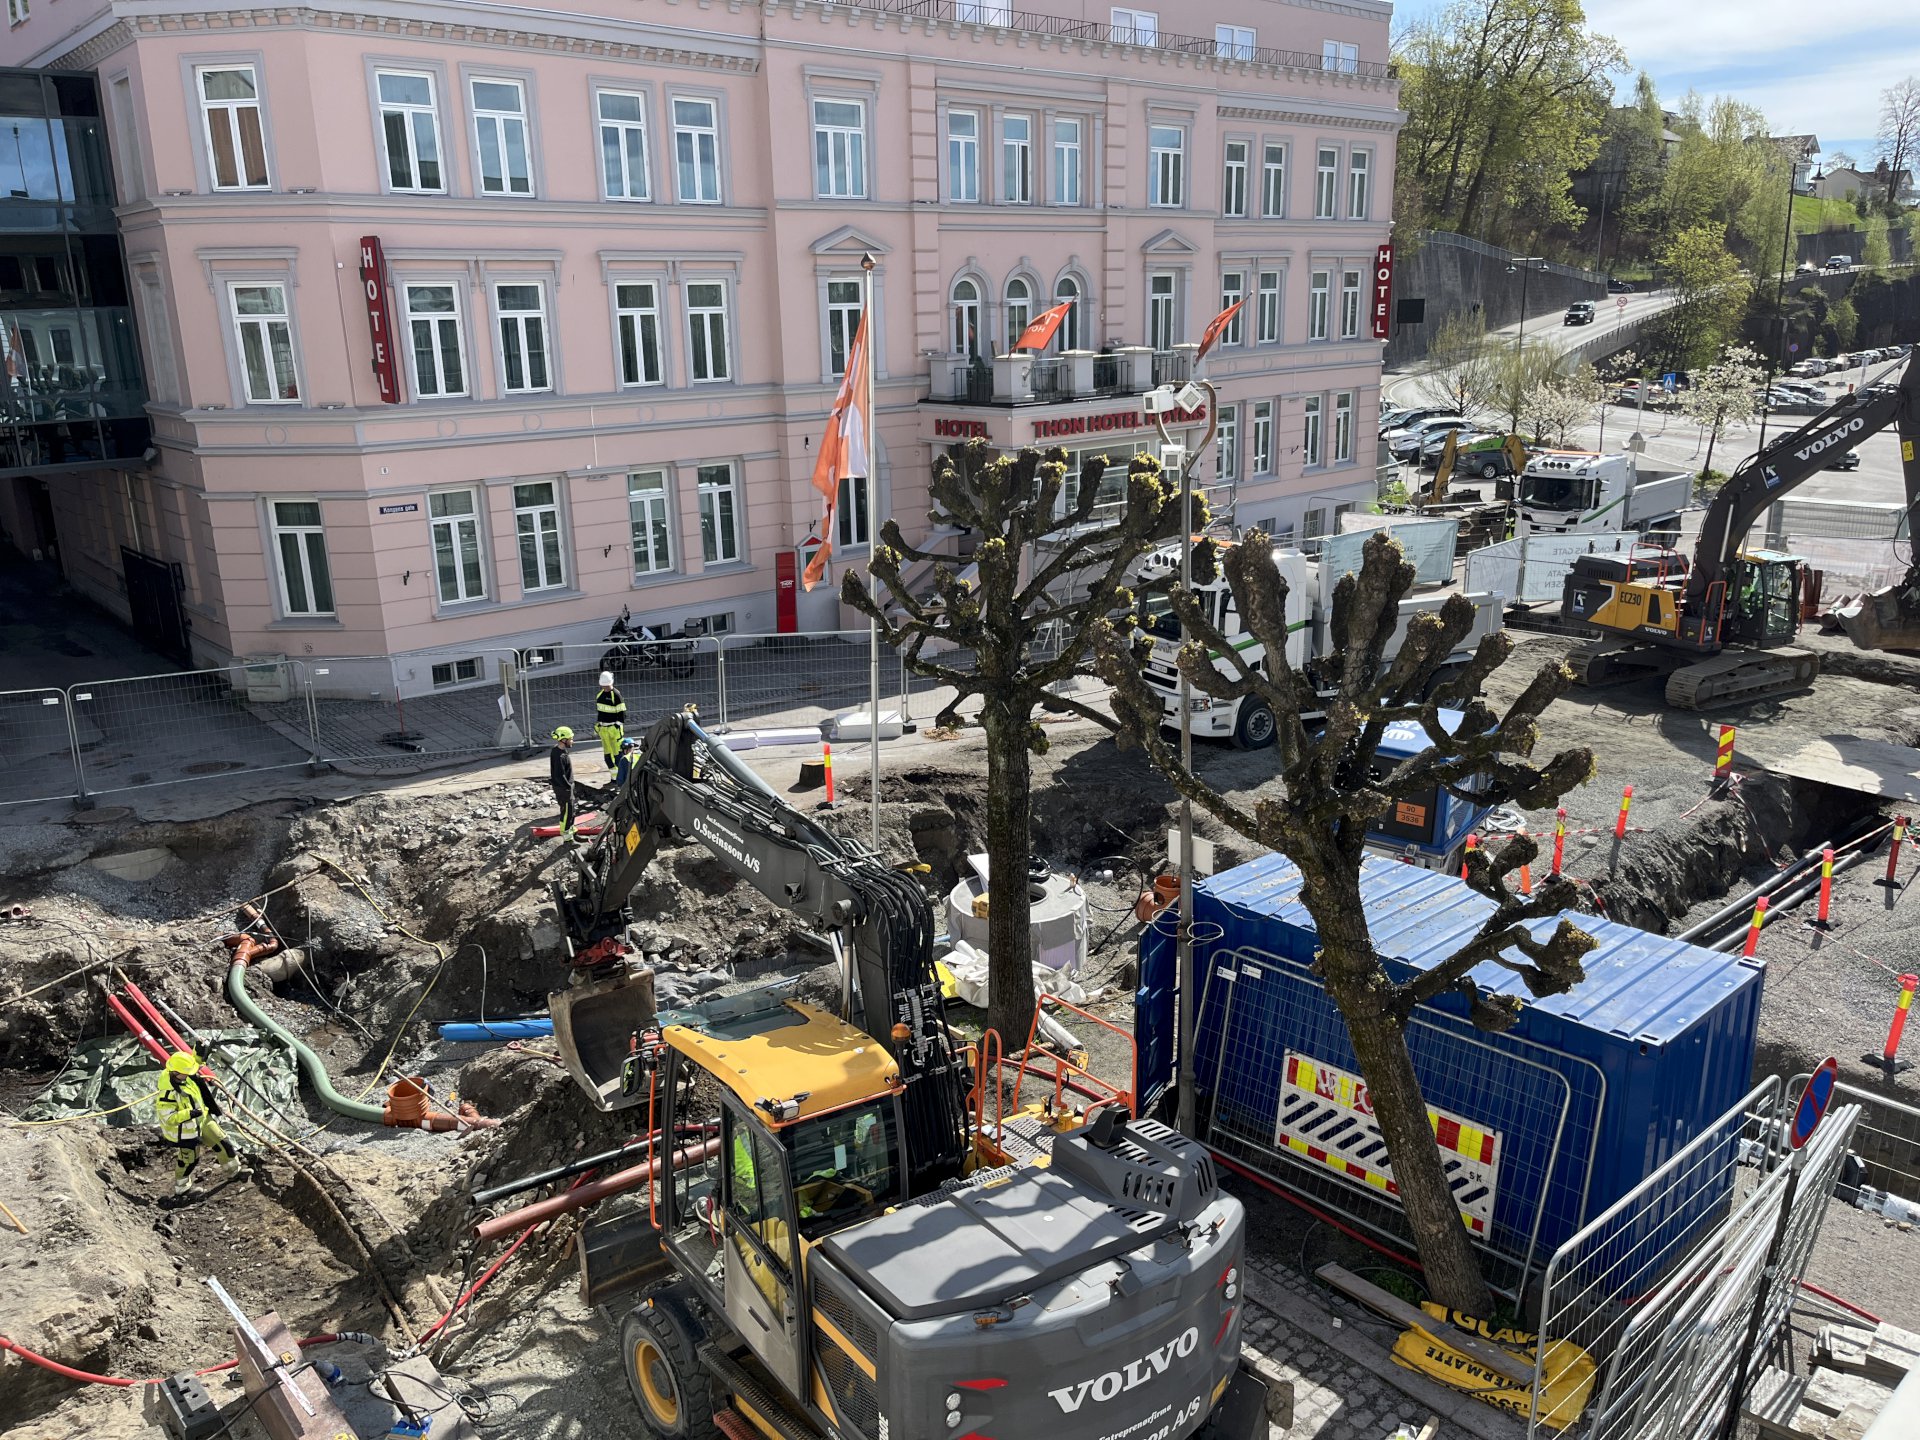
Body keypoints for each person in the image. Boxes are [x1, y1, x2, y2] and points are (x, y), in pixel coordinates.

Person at [157, 1051, 241, 1195]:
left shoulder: (184, 1076)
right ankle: (182, 1188)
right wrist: (188, 1114)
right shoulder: (168, 1093)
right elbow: (168, 1118)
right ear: (176, 1073)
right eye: (186, 1072)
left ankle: (234, 1171)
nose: (190, 1074)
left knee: (223, 1143)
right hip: (185, 1131)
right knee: (189, 1160)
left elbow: (192, 1063)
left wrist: (200, 1050)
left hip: (202, 1120)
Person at [593, 671, 627, 770]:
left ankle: (620, 777)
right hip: (604, 729)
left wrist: (617, 725)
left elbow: (622, 713)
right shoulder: (600, 695)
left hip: (614, 729)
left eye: (607, 686)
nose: (605, 688)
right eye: (603, 686)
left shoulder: (616, 695)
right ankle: (614, 777)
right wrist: (599, 725)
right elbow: (600, 712)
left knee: (617, 754)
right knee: (608, 755)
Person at [549, 726, 577, 839]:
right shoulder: (559, 756)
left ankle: (572, 829)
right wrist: (568, 787)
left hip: (566, 787)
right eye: (570, 739)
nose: (572, 741)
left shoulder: (559, 751)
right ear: (563, 740)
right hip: (563, 788)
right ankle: (567, 835)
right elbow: (560, 775)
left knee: (572, 810)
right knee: (566, 812)